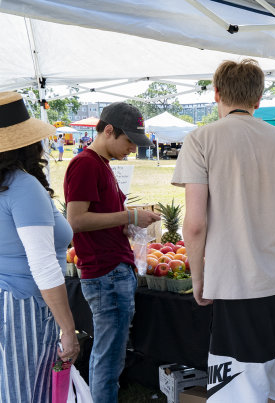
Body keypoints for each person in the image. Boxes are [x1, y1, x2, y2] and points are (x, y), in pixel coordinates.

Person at [172, 59, 275, 402]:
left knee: (239, 393)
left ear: (216, 93)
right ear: (258, 99)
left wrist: (199, 279)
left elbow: (196, 223)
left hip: (237, 284)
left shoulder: (201, 139)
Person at [64, 102, 160, 402]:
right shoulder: (86, 164)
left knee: (112, 356)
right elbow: (76, 221)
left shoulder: (100, 164)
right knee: (107, 359)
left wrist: (129, 224)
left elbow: (98, 217)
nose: (133, 148)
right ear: (109, 131)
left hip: (111, 271)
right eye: (129, 140)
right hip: (106, 274)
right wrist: (129, 218)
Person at [0, 91, 79, 402]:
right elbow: (43, 266)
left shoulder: (10, 184)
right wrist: (69, 330)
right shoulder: (22, 186)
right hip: (24, 307)